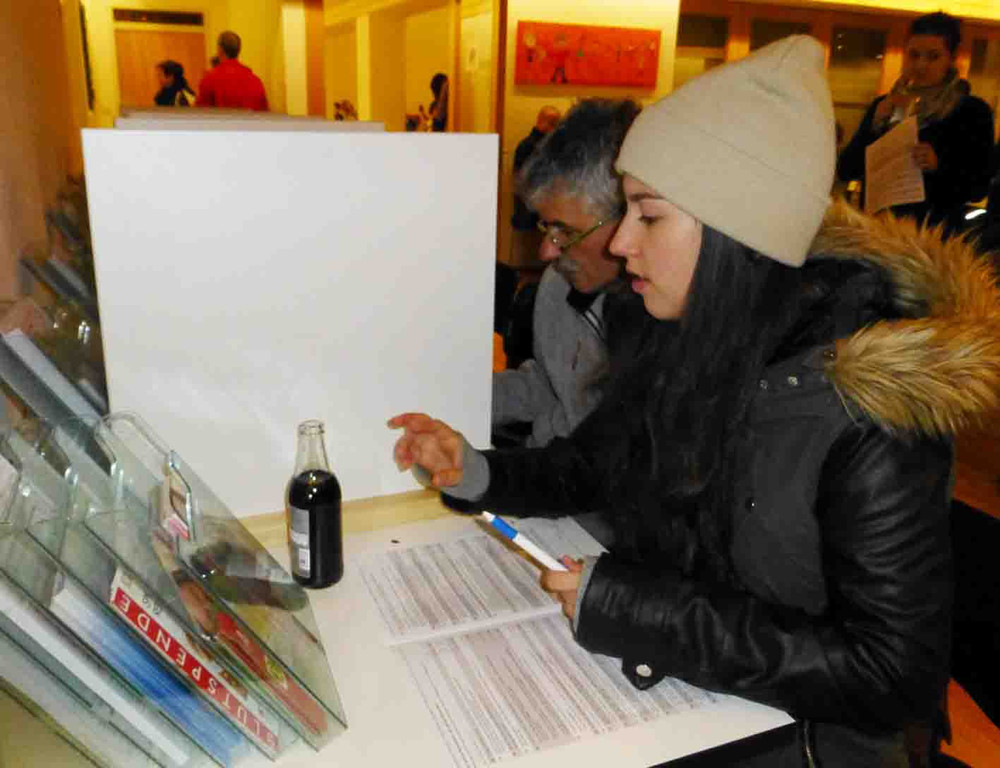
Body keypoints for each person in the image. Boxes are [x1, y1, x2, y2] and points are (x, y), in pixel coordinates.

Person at [391, 35, 1000, 766]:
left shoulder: (871, 410)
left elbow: (890, 675)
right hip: (706, 706)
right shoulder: (687, 332)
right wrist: (479, 471)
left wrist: (642, 614)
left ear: (736, 231)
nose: (620, 242)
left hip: (811, 743)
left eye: (648, 215)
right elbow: (594, 464)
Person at [494, 98, 640, 449]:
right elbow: (549, 385)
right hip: (548, 469)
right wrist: (451, 400)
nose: (547, 252)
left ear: (629, 218)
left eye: (567, 232)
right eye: (547, 227)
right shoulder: (557, 285)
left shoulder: (666, 314)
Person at [837, 12, 994, 232]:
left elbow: (978, 188)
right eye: (914, 55)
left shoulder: (971, 111)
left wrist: (939, 166)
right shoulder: (886, 104)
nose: (921, 65)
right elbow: (847, 170)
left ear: (951, 59)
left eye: (933, 56)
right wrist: (873, 127)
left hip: (934, 238)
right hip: (877, 232)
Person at [511, 105, 561, 234]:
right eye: (555, 124)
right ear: (550, 123)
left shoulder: (526, 145)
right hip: (535, 213)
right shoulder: (542, 147)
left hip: (528, 213)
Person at [195, 31, 268, 112]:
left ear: (220, 49)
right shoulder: (256, 81)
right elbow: (264, 114)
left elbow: (201, 113)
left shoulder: (209, 80)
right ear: (238, 50)